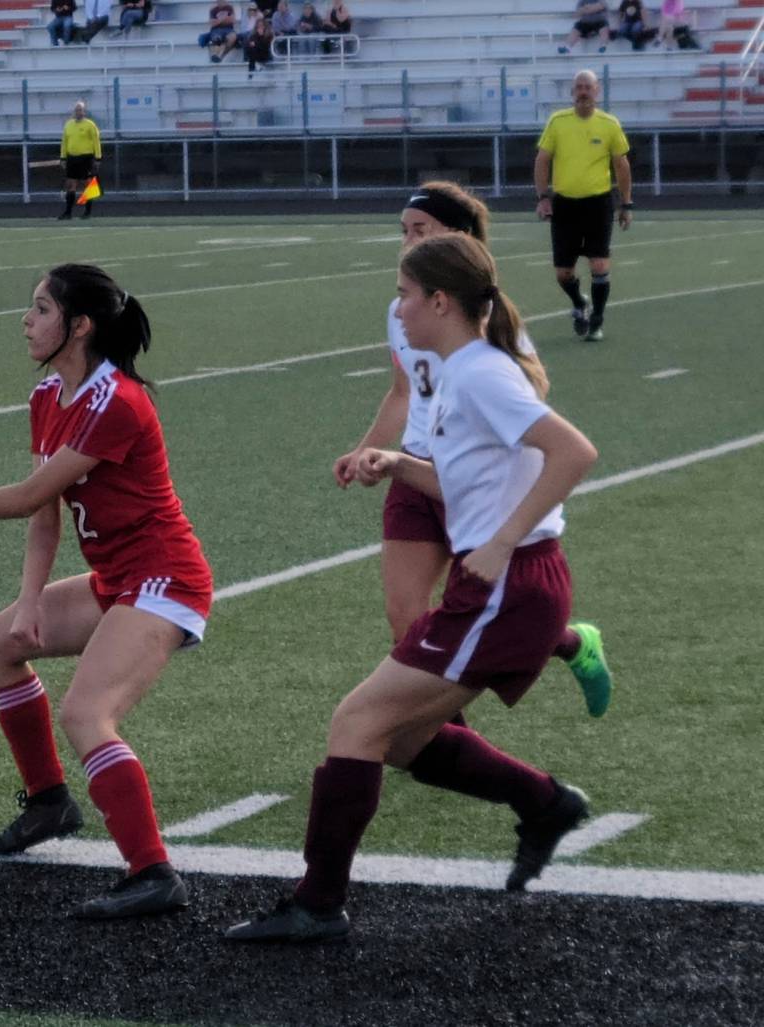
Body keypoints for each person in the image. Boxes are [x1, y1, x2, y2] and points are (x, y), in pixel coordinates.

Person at [226, 233, 599, 945]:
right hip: (505, 583)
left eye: (404, 293)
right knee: (395, 741)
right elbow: (473, 479)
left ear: (439, 300)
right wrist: (399, 463)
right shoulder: (458, 370)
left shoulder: (483, 372)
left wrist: (498, 541)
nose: (396, 308)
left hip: (509, 583)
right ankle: (544, 802)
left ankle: (318, 901)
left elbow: (574, 451)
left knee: (357, 723)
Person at [0, 264, 214, 920]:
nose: (26, 319)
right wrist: (29, 601)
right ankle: (49, 802)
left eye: (41, 308)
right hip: (117, 579)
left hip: (165, 579)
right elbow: (48, 517)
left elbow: (27, 498)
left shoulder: (118, 401)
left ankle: (152, 869)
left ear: (80, 327)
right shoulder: (49, 395)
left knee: (85, 714)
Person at [332, 181, 613, 717]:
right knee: (406, 615)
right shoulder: (403, 312)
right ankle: (443, 740)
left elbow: (531, 404)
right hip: (415, 474)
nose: (407, 241)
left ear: (456, 239)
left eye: (420, 230)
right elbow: (402, 390)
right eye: (403, 232)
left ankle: (574, 644)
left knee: (483, 609)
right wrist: (368, 450)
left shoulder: (485, 324)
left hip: (469, 481)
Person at [534, 69, 632, 341]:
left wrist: (626, 204)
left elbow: (621, 165)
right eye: (578, 87)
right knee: (563, 273)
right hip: (565, 205)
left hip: (598, 204)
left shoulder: (609, 124)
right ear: (572, 92)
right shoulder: (558, 122)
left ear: (597, 91)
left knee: (599, 265)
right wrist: (543, 198)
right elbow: (542, 160)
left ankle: (597, 321)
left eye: (588, 87)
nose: (583, 92)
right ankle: (579, 302)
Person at [58, 99, 101, 221]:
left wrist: (98, 158)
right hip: (72, 158)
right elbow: (64, 142)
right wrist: (63, 157)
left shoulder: (90, 125)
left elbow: (96, 142)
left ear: (84, 111)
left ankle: (87, 212)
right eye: (76, 110)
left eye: (80, 110)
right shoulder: (68, 125)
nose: (78, 112)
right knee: (71, 185)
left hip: (86, 158)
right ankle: (68, 213)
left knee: (88, 185)